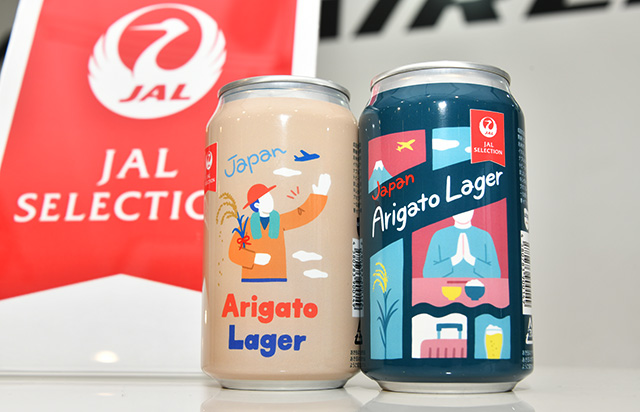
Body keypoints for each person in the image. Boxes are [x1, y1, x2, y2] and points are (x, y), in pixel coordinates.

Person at [228, 174, 331, 282]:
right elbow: (233, 252)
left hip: (277, 276)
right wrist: (254, 258)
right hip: (251, 278)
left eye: (270, 197)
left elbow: (301, 215)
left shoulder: (279, 220)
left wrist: (319, 196)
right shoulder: (245, 226)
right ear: (257, 205)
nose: (271, 200)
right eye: (266, 198)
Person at [423, 210, 500, 278]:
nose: (463, 213)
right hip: (445, 288)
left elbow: (496, 273)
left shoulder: (484, 236)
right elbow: (427, 273)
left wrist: (471, 259)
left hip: (478, 288)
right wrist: (454, 259)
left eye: (468, 209)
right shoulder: (439, 235)